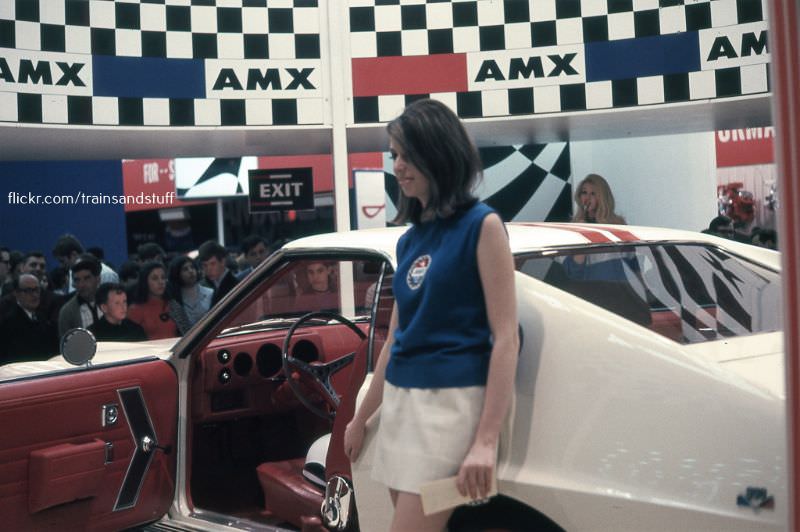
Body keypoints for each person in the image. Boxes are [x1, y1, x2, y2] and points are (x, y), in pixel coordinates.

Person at [343, 99, 518, 531]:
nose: (398, 166)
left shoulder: (483, 226)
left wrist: (485, 441)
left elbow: (505, 338)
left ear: (437, 153)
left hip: (451, 410)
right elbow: (397, 338)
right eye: (394, 155)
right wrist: (361, 416)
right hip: (402, 407)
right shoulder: (410, 241)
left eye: (406, 155)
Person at [0, 273, 59, 364]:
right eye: (28, 291)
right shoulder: (8, 323)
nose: (35, 295)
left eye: (36, 290)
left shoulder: (43, 317)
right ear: (16, 294)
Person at [127, 261, 180, 340]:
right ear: (145, 282)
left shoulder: (173, 305)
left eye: (163, 277)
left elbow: (186, 333)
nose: (161, 282)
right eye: (155, 278)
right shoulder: (135, 310)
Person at [52, 234, 118, 291]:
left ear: (73, 255)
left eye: (62, 261)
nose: (61, 266)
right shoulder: (72, 273)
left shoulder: (107, 274)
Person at [58, 254, 103, 337]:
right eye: (77, 280)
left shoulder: (111, 302)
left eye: (87, 278)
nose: (82, 285)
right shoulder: (67, 312)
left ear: (98, 279)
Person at [167, 255, 213, 333]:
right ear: (177, 274)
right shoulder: (174, 300)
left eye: (192, 267)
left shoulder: (210, 293)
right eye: (185, 269)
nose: (191, 271)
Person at [198, 240, 238, 306]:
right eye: (205, 265)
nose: (208, 269)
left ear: (222, 261)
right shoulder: (204, 285)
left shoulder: (235, 287)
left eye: (212, 264)